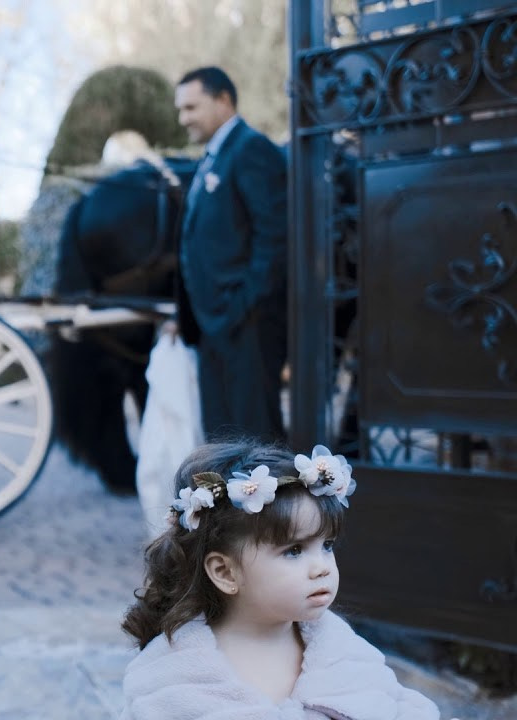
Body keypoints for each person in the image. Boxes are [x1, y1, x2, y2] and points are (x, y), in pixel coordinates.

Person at [120, 441, 439, 718]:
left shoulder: (348, 658)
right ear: (225, 572)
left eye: (326, 546)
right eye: (295, 551)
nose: (322, 568)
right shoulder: (172, 679)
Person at [173, 67, 288, 442]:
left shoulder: (251, 148)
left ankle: (275, 504)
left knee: (256, 438)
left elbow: (273, 235)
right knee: (222, 442)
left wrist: (244, 304)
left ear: (223, 100)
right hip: (212, 326)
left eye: (192, 107)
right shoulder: (212, 156)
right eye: (181, 110)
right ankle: (227, 505)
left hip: (245, 324)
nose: (183, 118)